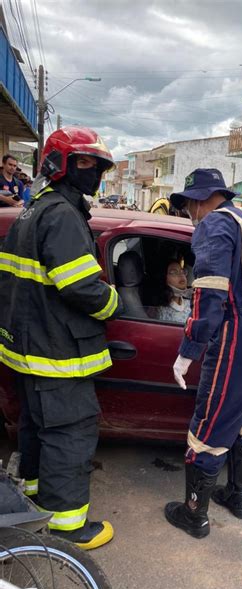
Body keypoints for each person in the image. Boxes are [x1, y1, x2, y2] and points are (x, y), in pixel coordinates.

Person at [0, 126, 122, 550]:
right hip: (57, 351)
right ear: (59, 164)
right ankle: (69, 527)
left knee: (38, 426)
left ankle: (34, 496)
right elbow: (82, 288)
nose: (93, 172)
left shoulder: (34, 209)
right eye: (85, 162)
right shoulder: (63, 215)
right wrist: (114, 304)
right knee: (70, 431)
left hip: (28, 347)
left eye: (97, 165)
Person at [165, 168, 242, 539]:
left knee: (209, 426)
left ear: (201, 199)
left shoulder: (215, 225)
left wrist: (189, 350)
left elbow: (208, 296)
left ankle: (195, 516)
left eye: (188, 205)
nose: (188, 213)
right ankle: (239, 497)